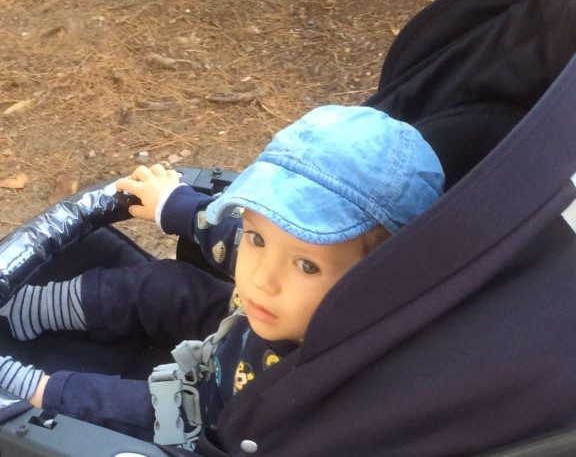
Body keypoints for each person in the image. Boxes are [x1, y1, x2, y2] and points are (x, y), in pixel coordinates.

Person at [0, 105, 444, 451]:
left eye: (307, 266)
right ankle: (30, 306)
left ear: (377, 281)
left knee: (138, 406)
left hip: (222, 406)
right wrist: (172, 204)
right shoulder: (270, 283)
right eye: (259, 239)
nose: (261, 277)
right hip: (235, 327)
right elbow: (227, 232)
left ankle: (24, 387)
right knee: (169, 285)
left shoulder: (337, 379)